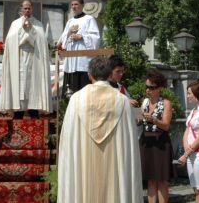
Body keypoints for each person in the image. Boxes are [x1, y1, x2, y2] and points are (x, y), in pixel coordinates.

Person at [57, 57, 143, 203]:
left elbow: (68, 141)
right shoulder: (122, 101)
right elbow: (130, 143)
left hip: (84, 168)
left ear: (89, 74)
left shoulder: (77, 99)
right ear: (110, 74)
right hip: (114, 172)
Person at [0, 0, 52, 119]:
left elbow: (42, 42)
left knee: (33, 86)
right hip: (19, 58)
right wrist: (21, 29)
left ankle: (34, 113)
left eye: (29, 8)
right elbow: (9, 41)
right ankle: (18, 114)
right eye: (25, 8)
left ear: (32, 9)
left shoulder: (38, 24)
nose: (27, 10)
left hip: (34, 60)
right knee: (20, 86)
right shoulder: (15, 23)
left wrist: (32, 29)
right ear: (21, 9)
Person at [139, 69, 174, 203]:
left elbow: (166, 125)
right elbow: (138, 122)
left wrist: (153, 119)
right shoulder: (145, 102)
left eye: (151, 87)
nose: (148, 90)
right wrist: (136, 117)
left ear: (159, 88)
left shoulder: (166, 103)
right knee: (151, 180)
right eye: (147, 87)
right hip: (146, 142)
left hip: (160, 143)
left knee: (162, 180)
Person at [178, 81, 199, 203]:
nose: (187, 96)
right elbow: (187, 130)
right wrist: (186, 149)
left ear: (196, 94)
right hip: (191, 153)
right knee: (196, 190)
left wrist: (186, 153)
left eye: (189, 93)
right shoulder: (194, 111)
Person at [57, 0, 100, 98]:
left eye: (76, 4)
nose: (73, 7)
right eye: (72, 5)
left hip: (83, 61)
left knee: (83, 92)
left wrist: (81, 37)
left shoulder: (89, 19)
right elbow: (62, 41)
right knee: (70, 92)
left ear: (82, 5)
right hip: (71, 61)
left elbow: (96, 37)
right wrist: (68, 33)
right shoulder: (70, 21)